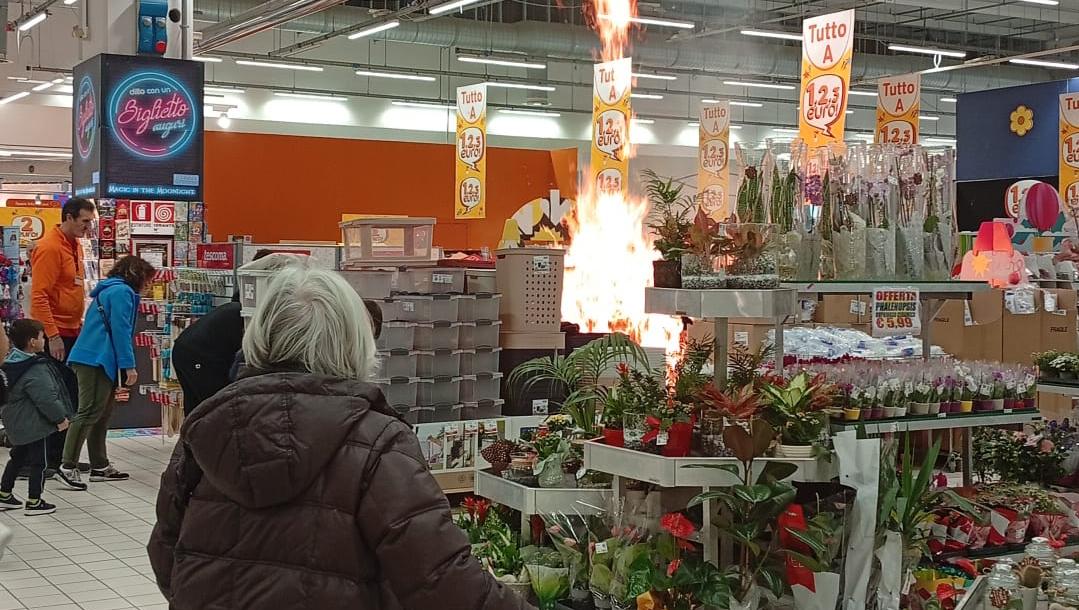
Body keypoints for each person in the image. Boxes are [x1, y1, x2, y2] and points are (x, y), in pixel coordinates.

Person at [148, 261, 533, 610]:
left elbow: (165, 554)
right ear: (354, 341)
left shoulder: (206, 428)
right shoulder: (378, 443)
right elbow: (442, 581)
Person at [60, 255, 156, 487]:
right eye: (148, 279)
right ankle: (67, 465)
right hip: (97, 358)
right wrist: (128, 365)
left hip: (93, 356)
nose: (149, 285)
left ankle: (99, 465)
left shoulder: (109, 290)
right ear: (137, 274)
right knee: (89, 411)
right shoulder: (122, 293)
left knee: (100, 414)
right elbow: (121, 330)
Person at [29, 197, 94, 484]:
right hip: (56, 336)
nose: (88, 227)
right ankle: (48, 462)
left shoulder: (74, 246)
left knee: (69, 396)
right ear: (68, 217)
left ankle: (59, 456)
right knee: (57, 397)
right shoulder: (50, 247)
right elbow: (39, 297)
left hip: (71, 331)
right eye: (84, 221)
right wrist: (52, 336)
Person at [170, 249, 273, 416]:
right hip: (198, 354)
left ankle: (191, 439)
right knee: (213, 409)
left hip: (187, 348)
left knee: (198, 409)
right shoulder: (249, 312)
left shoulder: (243, 304)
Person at [0, 319, 76, 516]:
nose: (45, 340)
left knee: (17, 458)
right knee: (39, 463)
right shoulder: (35, 368)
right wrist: (60, 419)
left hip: (16, 422)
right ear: (33, 342)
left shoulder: (10, 363)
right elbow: (46, 398)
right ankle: (35, 500)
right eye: (43, 337)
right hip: (35, 425)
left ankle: (4, 493)